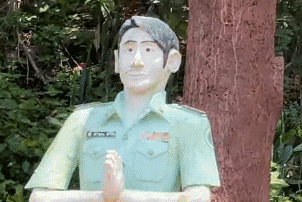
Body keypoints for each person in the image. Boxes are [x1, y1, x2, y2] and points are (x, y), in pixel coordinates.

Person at [26, 16, 221, 202]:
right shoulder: (83, 120)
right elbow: (40, 196)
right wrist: (103, 196)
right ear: (117, 60)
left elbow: (199, 197)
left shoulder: (189, 124)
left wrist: (121, 196)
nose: (136, 61)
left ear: (172, 61)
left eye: (148, 50)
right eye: (128, 50)